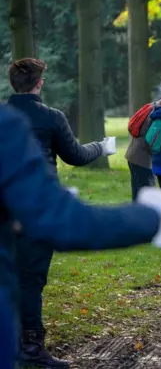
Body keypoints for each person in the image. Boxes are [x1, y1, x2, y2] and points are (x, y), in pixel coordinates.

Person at [0, 103, 161, 369]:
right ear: (40, 82)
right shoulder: (7, 125)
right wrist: (152, 215)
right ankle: (31, 345)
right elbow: (61, 221)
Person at [6, 58, 116, 368]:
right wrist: (102, 147)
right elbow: (77, 156)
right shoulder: (51, 117)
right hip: (38, 208)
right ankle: (30, 347)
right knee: (31, 280)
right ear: (39, 84)